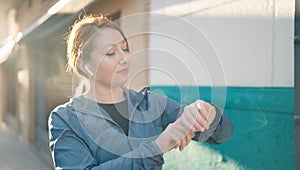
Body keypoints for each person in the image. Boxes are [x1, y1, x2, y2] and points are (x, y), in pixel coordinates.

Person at [48, 14, 233, 169]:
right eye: (111, 53)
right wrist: (158, 146)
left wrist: (204, 111)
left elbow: (221, 133)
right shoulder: (65, 119)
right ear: (84, 65)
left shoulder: (150, 103)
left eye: (126, 49)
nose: (124, 58)